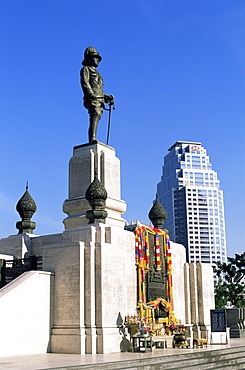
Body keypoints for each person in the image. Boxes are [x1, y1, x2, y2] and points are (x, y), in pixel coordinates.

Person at [80, 47, 114, 143]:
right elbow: (85, 82)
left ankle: (93, 137)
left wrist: (106, 97)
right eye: (96, 58)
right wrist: (90, 93)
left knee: (98, 115)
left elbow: (99, 89)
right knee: (95, 114)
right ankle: (92, 138)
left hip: (99, 99)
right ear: (89, 59)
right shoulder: (85, 69)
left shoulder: (98, 73)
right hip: (92, 98)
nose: (98, 60)